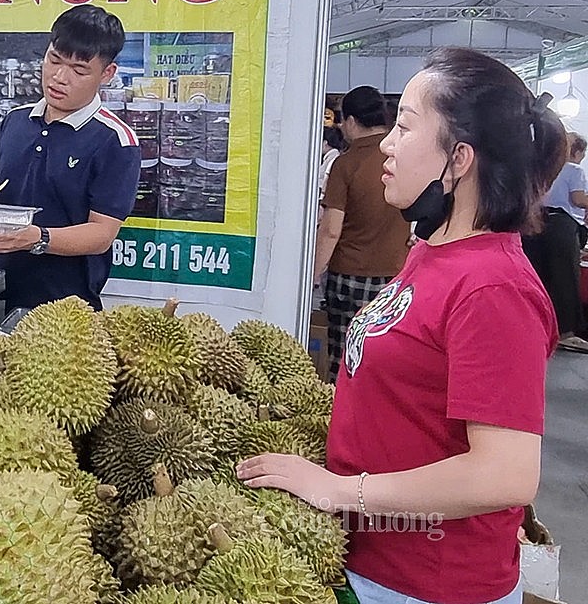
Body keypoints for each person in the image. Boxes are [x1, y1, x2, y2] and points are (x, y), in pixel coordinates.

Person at [239, 47, 564, 604]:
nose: (387, 144)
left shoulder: (493, 287)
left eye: (406, 127)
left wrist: (342, 489)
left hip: (430, 581)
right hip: (371, 562)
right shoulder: (432, 249)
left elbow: (505, 475)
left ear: (458, 159)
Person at [0, 5, 141, 310]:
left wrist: (36, 238)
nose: (59, 77)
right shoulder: (15, 121)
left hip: (66, 311)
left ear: (107, 74)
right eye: (54, 60)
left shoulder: (116, 140)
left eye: (79, 70)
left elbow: (101, 233)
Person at [314, 86, 412, 382]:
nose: (342, 127)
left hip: (349, 278)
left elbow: (331, 230)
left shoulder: (346, 164)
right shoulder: (403, 159)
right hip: (396, 277)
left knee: (344, 359)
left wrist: (311, 278)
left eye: (343, 121)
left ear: (353, 121)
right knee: (382, 357)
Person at [523, 131, 588, 348]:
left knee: (539, 275)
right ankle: (566, 332)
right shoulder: (574, 169)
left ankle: (536, 326)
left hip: (536, 222)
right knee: (565, 277)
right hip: (562, 225)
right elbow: (577, 199)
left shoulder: (545, 167)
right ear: (578, 151)